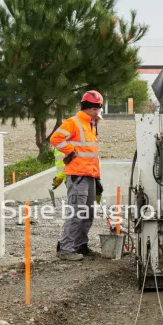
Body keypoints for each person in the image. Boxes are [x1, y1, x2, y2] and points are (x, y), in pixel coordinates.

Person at [50, 90, 104, 261]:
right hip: (77, 175)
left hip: (89, 175)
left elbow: (91, 153)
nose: (97, 111)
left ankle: (81, 245)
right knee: (76, 213)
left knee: (88, 213)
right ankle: (66, 248)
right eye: (95, 108)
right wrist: (70, 151)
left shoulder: (91, 125)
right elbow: (56, 138)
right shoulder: (73, 122)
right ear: (86, 107)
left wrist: (97, 177)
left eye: (99, 108)